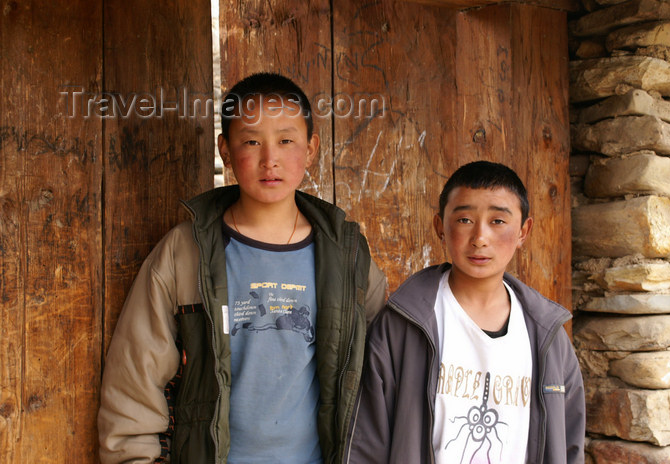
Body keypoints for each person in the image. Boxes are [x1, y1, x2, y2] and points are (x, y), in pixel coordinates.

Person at [98, 72, 386, 464]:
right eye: (252, 141)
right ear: (225, 151)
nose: (271, 159)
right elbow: (135, 378)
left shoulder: (347, 258)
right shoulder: (187, 252)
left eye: (286, 141)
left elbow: (379, 384)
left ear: (312, 148)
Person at [347, 161, 585, 463]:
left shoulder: (547, 336)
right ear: (440, 227)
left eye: (498, 221)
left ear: (524, 231)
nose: (480, 237)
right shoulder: (402, 325)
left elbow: (570, 442)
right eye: (464, 220)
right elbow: (367, 440)